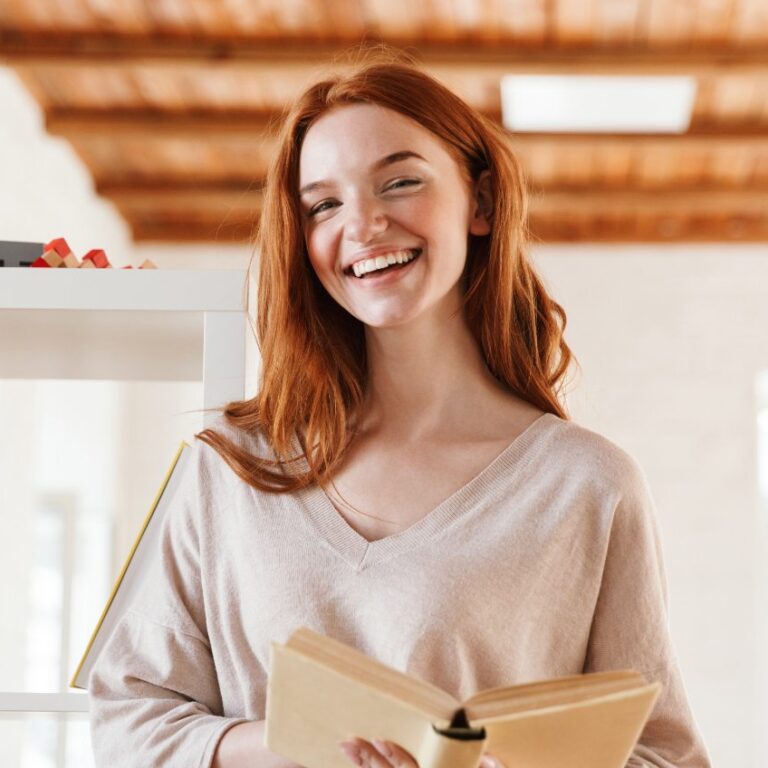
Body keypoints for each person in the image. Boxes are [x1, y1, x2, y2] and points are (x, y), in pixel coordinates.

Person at [88, 51, 711, 768]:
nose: (364, 224)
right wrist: (294, 748)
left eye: (401, 182)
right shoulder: (225, 469)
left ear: (479, 202)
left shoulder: (588, 486)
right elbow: (126, 723)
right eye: (323, 204)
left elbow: (667, 759)